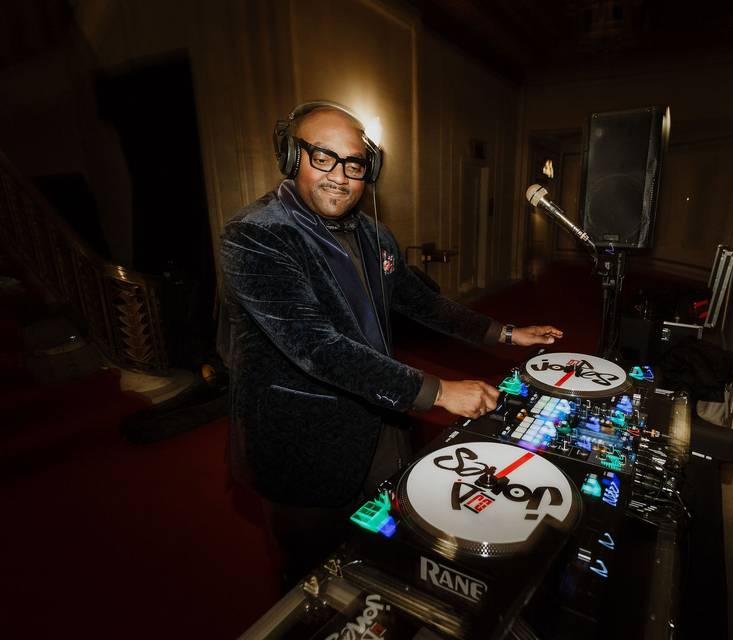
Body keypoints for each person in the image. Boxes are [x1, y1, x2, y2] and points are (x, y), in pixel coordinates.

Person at [219, 101, 562, 582]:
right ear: (292, 156)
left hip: (379, 420)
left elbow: (424, 304)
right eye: (323, 157)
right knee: (313, 579)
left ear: (369, 169)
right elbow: (316, 347)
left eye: (353, 163)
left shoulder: (374, 234)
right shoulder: (256, 236)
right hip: (303, 444)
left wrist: (504, 332)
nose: (339, 175)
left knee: (383, 552)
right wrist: (439, 391)